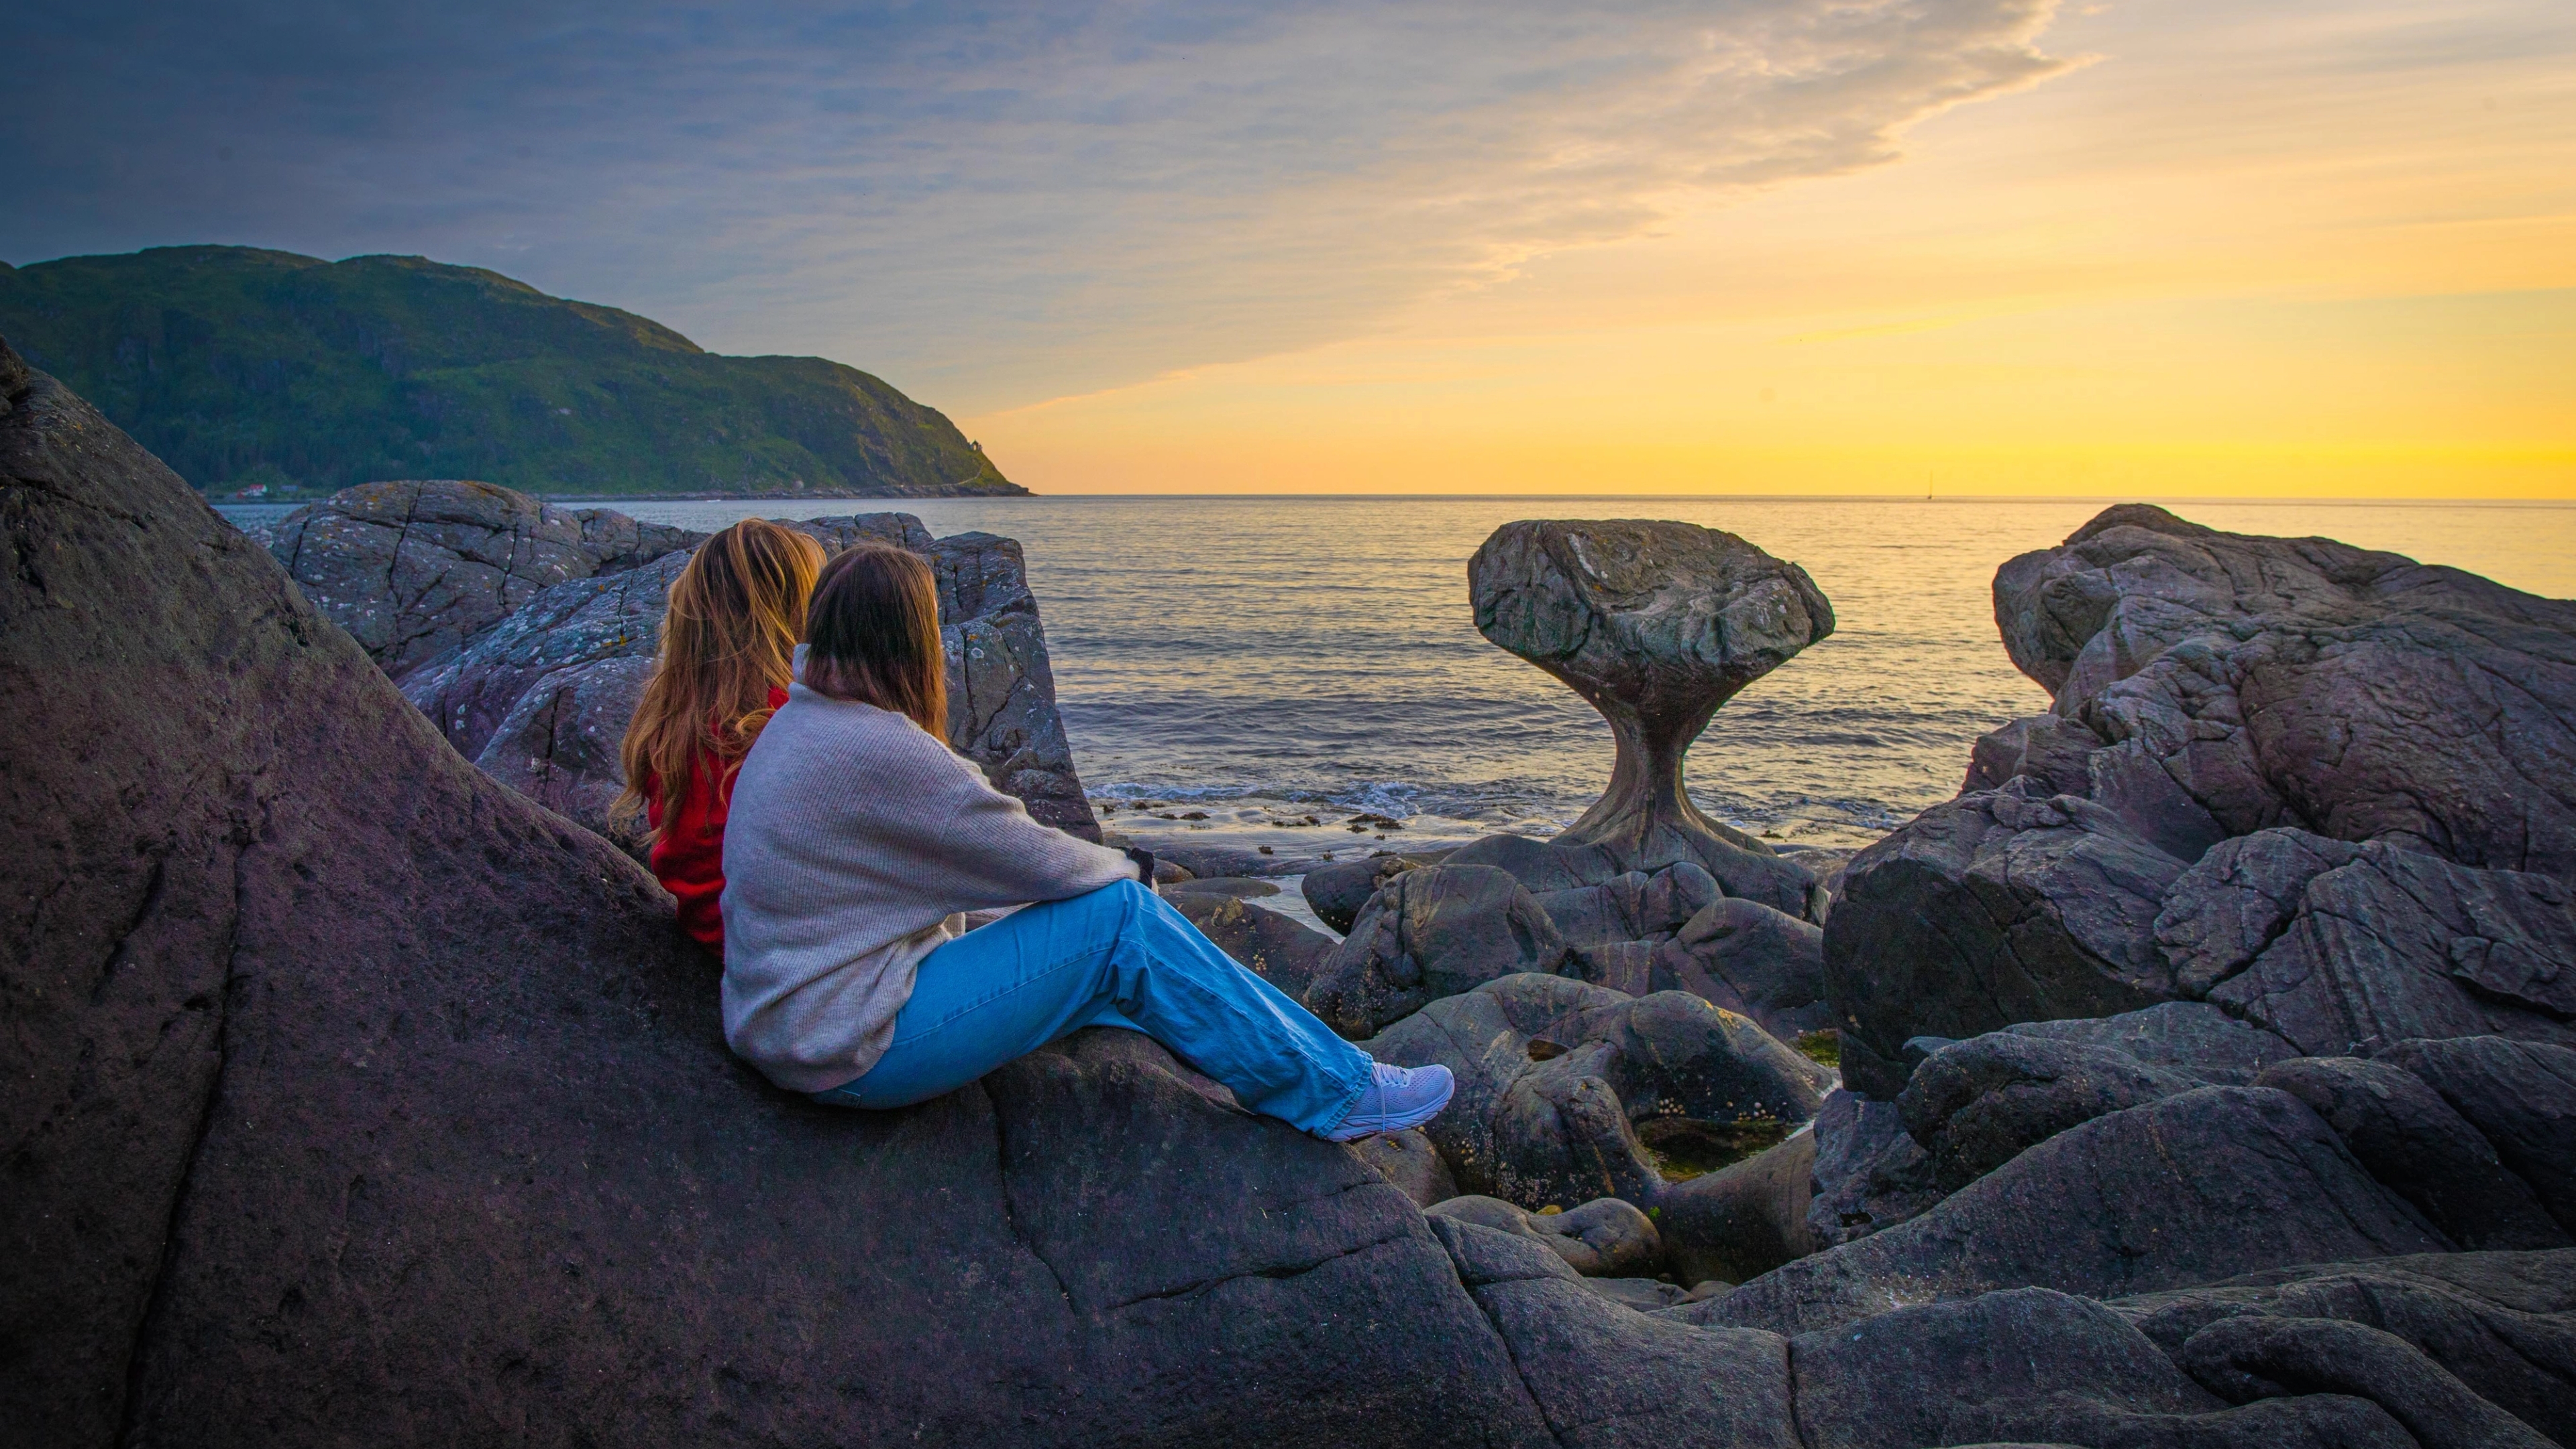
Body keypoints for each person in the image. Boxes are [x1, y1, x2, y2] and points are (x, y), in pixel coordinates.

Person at [720, 544, 1452, 1140]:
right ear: (910, 639)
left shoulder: (800, 725)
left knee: (1105, 956)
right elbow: (1023, 852)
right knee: (1120, 919)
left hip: (794, 1027)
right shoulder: (874, 747)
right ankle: (1339, 1091)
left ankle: (1297, 1061)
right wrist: (1127, 867)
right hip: (849, 1047)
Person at [616, 518, 828, 955]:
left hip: (713, 935)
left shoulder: (673, 721)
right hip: (785, 954)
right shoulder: (784, 722)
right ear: (791, 612)